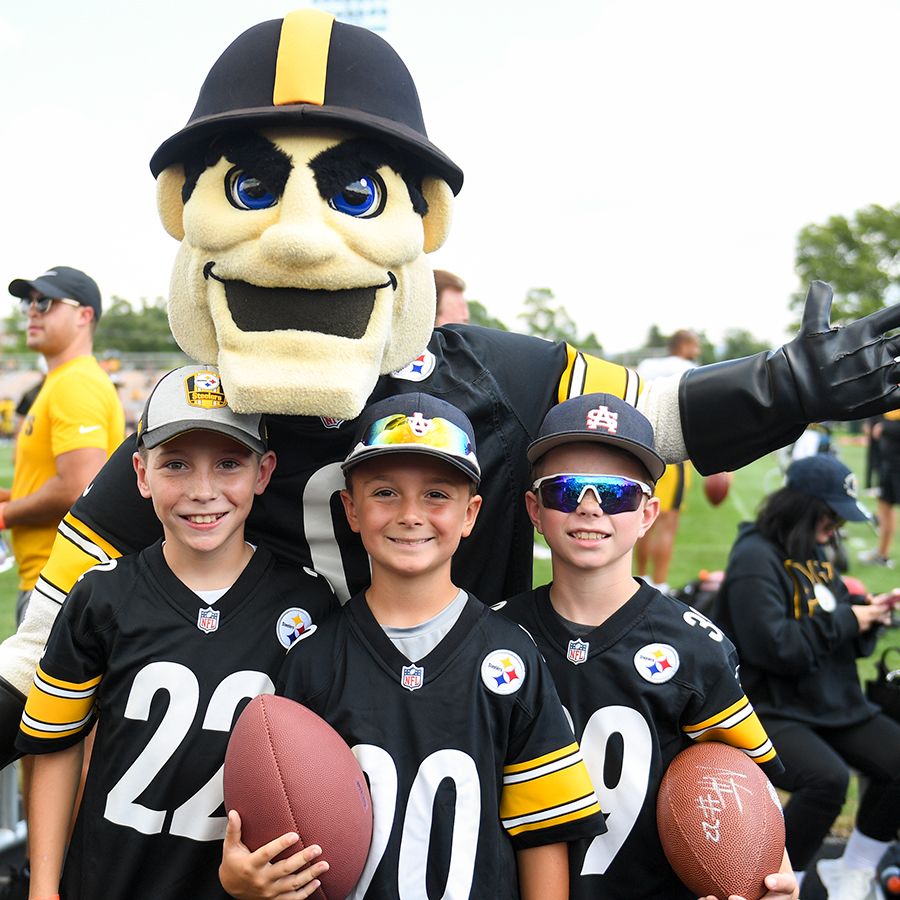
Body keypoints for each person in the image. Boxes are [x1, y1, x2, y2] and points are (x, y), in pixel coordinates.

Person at [1, 8, 900, 770]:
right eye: (251, 188)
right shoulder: (192, 429)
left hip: (464, 751)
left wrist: (784, 386)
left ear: (421, 219)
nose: (303, 240)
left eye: (354, 193)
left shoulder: (494, 378)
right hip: (257, 807)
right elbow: (37, 657)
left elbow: (649, 418)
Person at [222, 392, 606, 899]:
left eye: (436, 495)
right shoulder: (314, 659)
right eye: (384, 492)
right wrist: (243, 880)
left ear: (470, 514)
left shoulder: (512, 658)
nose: (410, 514)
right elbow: (280, 835)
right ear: (350, 509)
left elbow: (543, 837)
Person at [15, 364, 337, 900]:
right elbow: (55, 746)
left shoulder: (308, 604)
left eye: (229, 464)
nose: (202, 490)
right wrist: (43, 888)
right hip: (109, 879)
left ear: (264, 472)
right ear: (140, 474)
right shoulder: (101, 596)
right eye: (177, 465)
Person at [497, 392, 797, 900]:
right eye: (566, 491)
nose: (589, 508)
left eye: (616, 495)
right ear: (535, 508)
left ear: (648, 513)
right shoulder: (495, 638)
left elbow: (744, 787)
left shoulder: (694, 648)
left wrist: (775, 878)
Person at [716, 454, 900, 898]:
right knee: (827, 780)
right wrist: (846, 622)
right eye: (831, 514)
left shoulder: (815, 553)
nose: (836, 527)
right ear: (800, 506)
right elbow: (776, 648)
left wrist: (873, 613)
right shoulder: (754, 558)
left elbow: (834, 615)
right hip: (768, 706)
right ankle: (780, 884)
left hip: (826, 700)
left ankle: (853, 870)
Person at [0, 266, 124, 624]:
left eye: (47, 301)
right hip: (51, 580)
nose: (33, 310)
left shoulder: (76, 383)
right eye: (29, 302)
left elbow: (76, 487)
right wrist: (11, 495)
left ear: (84, 315)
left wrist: (5, 515)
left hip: (57, 582)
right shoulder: (61, 381)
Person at [635, 330, 701, 592]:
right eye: (695, 345)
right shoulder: (688, 368)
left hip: (641, 450)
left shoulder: (647, 366)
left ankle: (640, 578)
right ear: (684, 345)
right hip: (672, 454)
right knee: (667, 522)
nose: (697, 350)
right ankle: (660, 584)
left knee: (641, 519)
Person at [859, 409, 900, 567]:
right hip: (888, 464)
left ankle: (882, 554)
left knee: (886, 509)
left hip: (897, 465)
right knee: (884, 508)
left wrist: (884, 428)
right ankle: (882, 553)